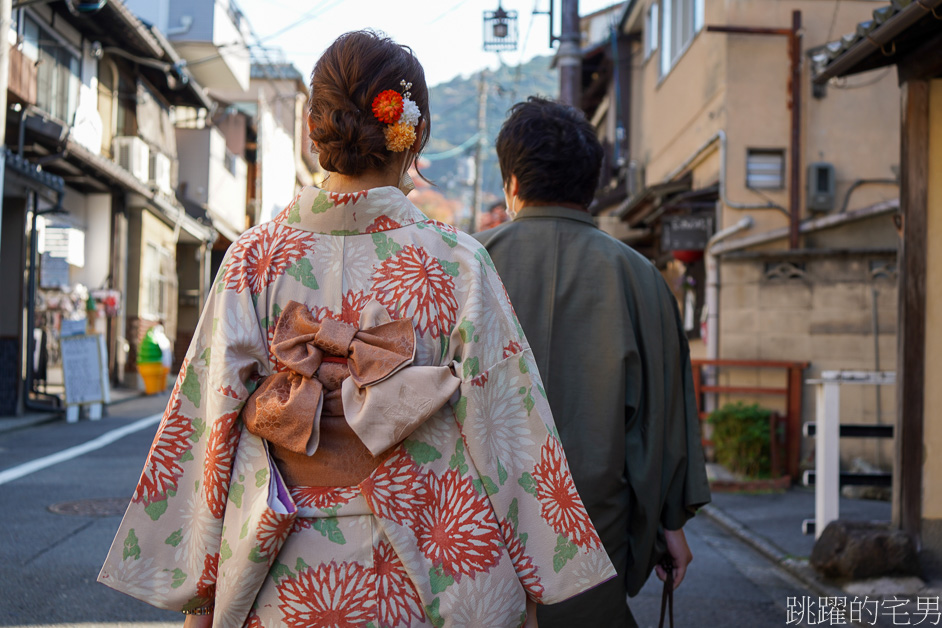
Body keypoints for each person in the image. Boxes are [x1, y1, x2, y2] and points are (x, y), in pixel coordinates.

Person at [99, 33, 615, 628]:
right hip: (427, 569)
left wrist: (200, 584)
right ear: (412, 135)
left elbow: (208, 421)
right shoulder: (457, 262)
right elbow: (509, 427)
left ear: (314, 127)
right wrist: (535, 576)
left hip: (277, 574)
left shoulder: (254, 259)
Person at [474, 97, 712, 628]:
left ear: (512, 182)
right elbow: (661, 420)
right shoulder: (641, 279)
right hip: (594, 543)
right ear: (592, 186)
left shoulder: (462, 265)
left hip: (476, 543)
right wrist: (670, 523)